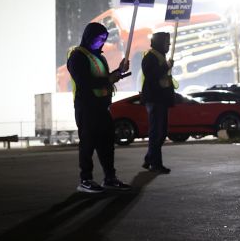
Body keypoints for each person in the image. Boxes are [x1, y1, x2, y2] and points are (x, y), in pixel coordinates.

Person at [67, 22, 131, 192]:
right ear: (88, 36)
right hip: (86, 107)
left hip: (102, 107)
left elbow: (104, 78)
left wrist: (119, 71)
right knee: (88, 144)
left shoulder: (99, 57)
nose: (101, 41)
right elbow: (85, 81)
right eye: (98, 37)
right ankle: (85, 180)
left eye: (104, 38)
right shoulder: (77, 56)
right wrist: (109, 80)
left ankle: (110, 177)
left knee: (107, 144)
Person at [141, 31, 175, 173]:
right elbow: (151, 75)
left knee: (161, 133)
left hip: (161, 100)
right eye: (166, 42)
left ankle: (150, 159)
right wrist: (166, 66)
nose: (168, 45)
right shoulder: (150, 57)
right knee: (157, 133)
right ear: (159, 42)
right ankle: (156, 164)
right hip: (154, 100)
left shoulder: (160, 56)